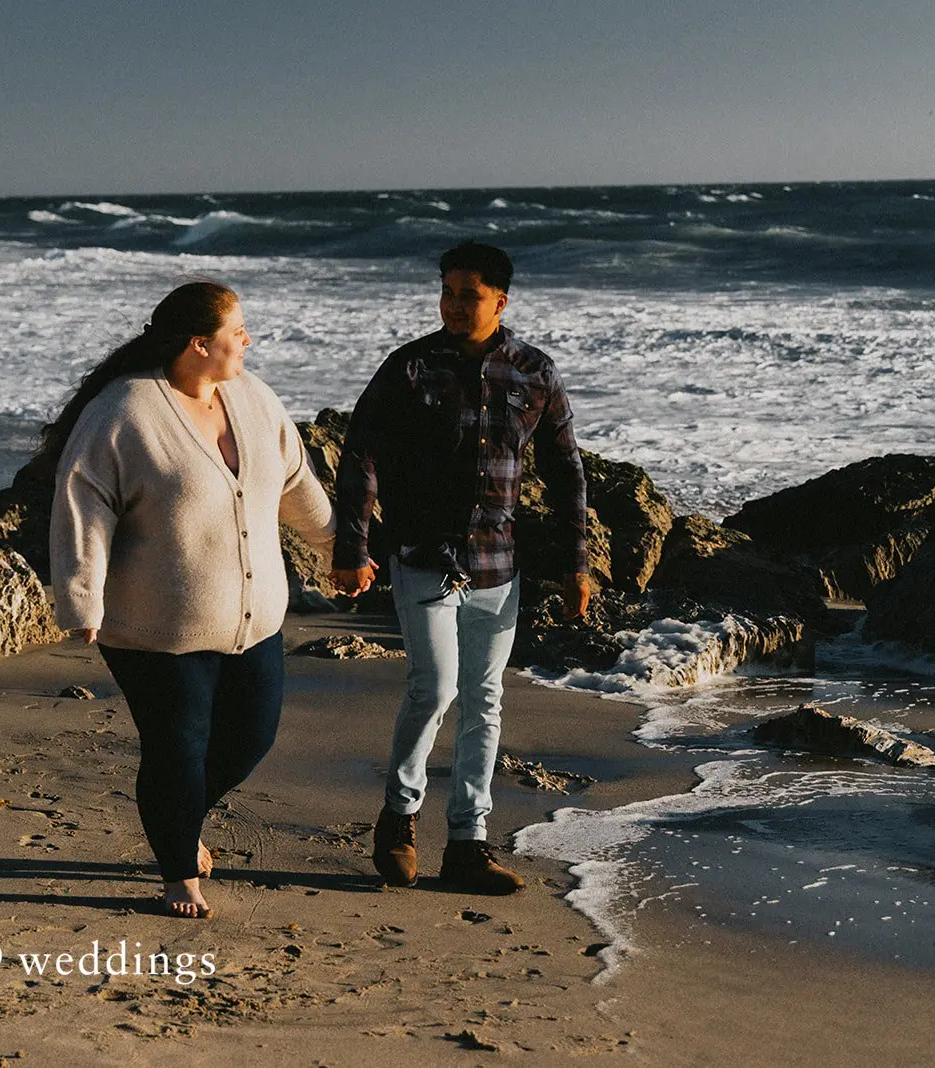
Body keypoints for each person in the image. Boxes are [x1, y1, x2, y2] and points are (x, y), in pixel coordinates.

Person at [47, 281, 334, 919]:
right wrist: (80, 600)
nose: (248, 340)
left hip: (254, 622)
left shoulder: (254, 399)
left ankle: (178, 819)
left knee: (250, 738)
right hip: (154, 629)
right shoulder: (125, 412)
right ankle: (179, 872)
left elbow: (293, 478)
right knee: (178, 744)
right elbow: (82, 503)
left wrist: (335, 546)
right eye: (238, 331)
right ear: (200, 345)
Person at [332, 241, 589, 895]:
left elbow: (565, 473)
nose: (452, 304)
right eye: (446, 292)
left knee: (486, 702)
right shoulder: (410, 368)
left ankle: (469, 846)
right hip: (423, 557)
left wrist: (576, 564)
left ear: (500, 302)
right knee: (434, 688)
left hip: (498, 566)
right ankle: (399, 819)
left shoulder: (534, 373)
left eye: (467, 295)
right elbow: (359, 450)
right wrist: (354, 548)